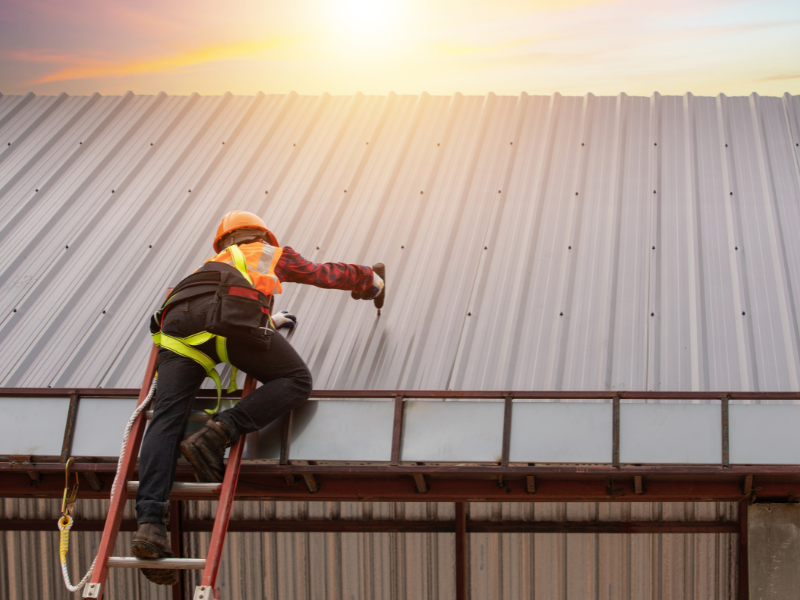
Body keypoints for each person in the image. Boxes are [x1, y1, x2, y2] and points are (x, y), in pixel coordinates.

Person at [130, 210, 385, 585]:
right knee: (297, 380)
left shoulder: (208, 266)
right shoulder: (267, 253)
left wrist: (271, 320)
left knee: (166, 420)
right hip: (227, 325)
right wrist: (370, 279)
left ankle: (149, 526)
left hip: (178, 329)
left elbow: (218, 302)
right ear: (262, 235)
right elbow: (322, 273)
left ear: (222, 242)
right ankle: (218, 432)